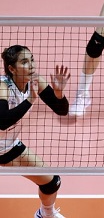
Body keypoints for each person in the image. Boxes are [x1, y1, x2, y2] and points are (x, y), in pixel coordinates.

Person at [0, 45, 71, 218]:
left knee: (52, 182)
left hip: (8, 147)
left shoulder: (35, 81)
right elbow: (2, 122)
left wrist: (59, 93)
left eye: (32, 59)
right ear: (12, 69)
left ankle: (46, 214)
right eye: (24, 62)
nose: (32, 65)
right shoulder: (3, 86)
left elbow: (61, 110)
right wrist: (30, 101)